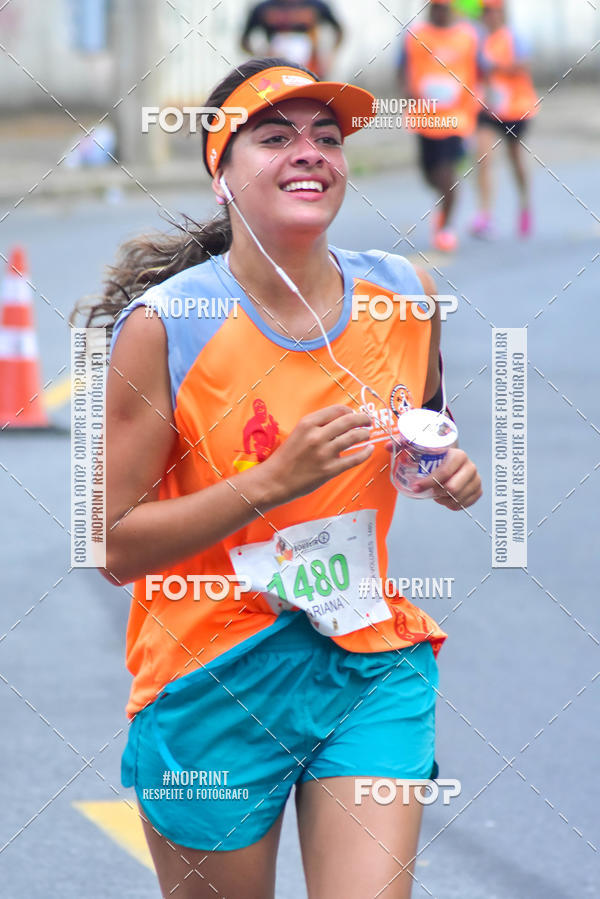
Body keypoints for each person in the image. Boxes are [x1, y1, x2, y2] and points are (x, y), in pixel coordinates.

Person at [92, 58, 482, 898]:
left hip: (364, 657)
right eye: (274, 136)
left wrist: (446, 472)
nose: (308, 152)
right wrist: (268, 481)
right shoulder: (164, 330)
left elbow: (426, 435)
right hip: (213, 675)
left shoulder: (406, 296)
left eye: (326, 137)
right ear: (223, 175)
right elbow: (112, 545)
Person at [398, 0, 479, 252]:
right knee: (429, 173)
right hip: (424, 117)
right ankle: (444, 199)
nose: (439, 11)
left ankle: (445, 228)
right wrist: (406, 91)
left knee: (447, 172)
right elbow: (401, 68)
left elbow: (481, 69)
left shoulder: (467, 36)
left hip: (456, 117)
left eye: (444, 6)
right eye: (435, 6)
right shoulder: (416, 35)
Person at [470, 0, 538, 238]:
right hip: (487, 108)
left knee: (515, 159)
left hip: (514, 109)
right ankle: (484, 215)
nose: (490, 16)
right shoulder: (476, 39)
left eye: (494, 12)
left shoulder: (513, 37)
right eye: (486, 12)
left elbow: (525, 65)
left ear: (502, 13)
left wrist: (497, 66)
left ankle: (524, 203)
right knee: (483, 158)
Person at [241, 0, 343, 77]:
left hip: (310, 69)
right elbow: (244, 40)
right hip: (276, 69)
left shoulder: (316, 6)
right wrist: (260, 57)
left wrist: (330, 58)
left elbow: (338, 31)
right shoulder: (263, 8)